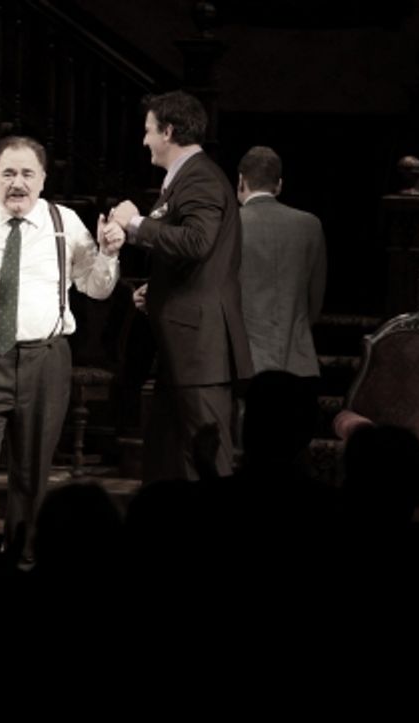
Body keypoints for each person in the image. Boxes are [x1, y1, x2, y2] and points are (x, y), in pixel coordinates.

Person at [0, 135, 124, 565]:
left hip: (44, 360)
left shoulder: (64, 223)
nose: (17, 183)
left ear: (43, 179)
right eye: (8, 173)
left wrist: (107, 253)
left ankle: (23, 558)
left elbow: (97, 287)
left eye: (27, 173)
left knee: (32, 471)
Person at [109, 91, 253, 482]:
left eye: (148, 131)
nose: (144, 141)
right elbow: (194, 263)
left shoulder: (201, 177)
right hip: (183, 348)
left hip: (199, 350)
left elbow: (197, 241)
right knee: (171, 462)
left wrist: (135, 224)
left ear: (168, 131)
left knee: (207, 460)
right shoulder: (187, 179)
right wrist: (153, 291)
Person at [236, 145, 326, 395]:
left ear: (241, 181)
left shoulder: (230, 224)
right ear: (279, 185)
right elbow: (315, 301)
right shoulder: (310, 225)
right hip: (299, 361)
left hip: (244, 365)